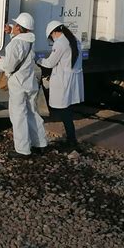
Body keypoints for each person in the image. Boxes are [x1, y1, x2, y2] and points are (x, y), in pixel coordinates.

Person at [0, 12, 48, 159]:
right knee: (32, 113)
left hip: (18, 84)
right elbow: (22, 43)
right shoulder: (30, 41)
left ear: (19, 27)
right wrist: (11, 30)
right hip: (30, 82)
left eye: (15, 25)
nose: (13, 26)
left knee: (18, 116)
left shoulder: (15, 44)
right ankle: (40, 143)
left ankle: (22, 150)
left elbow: (9, 66)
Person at [36, 21, 84, 152]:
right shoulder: (74, 39)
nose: (52, 39)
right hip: (71, 80)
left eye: (51, 36)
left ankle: (71, 141)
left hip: (63, 81)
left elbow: (50, 63)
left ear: (53, 32)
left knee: (64, 112)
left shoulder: (60, 43)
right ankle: (71, 139)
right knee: (67, 111)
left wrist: (37, 59)